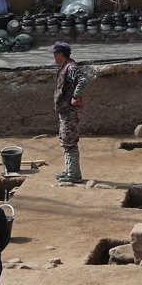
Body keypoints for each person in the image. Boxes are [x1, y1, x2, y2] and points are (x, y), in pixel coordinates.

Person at [52, 41, 90, 184]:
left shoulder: (71, 67)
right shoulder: (65, 67)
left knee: (69, 143)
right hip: (65, 112)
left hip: (70, 112)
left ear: (60, 54)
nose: (53, 57)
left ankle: (74, 174)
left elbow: (83, 80)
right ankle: (69, 171)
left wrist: (75, 96)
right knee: (66, 141)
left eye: (54, 54)